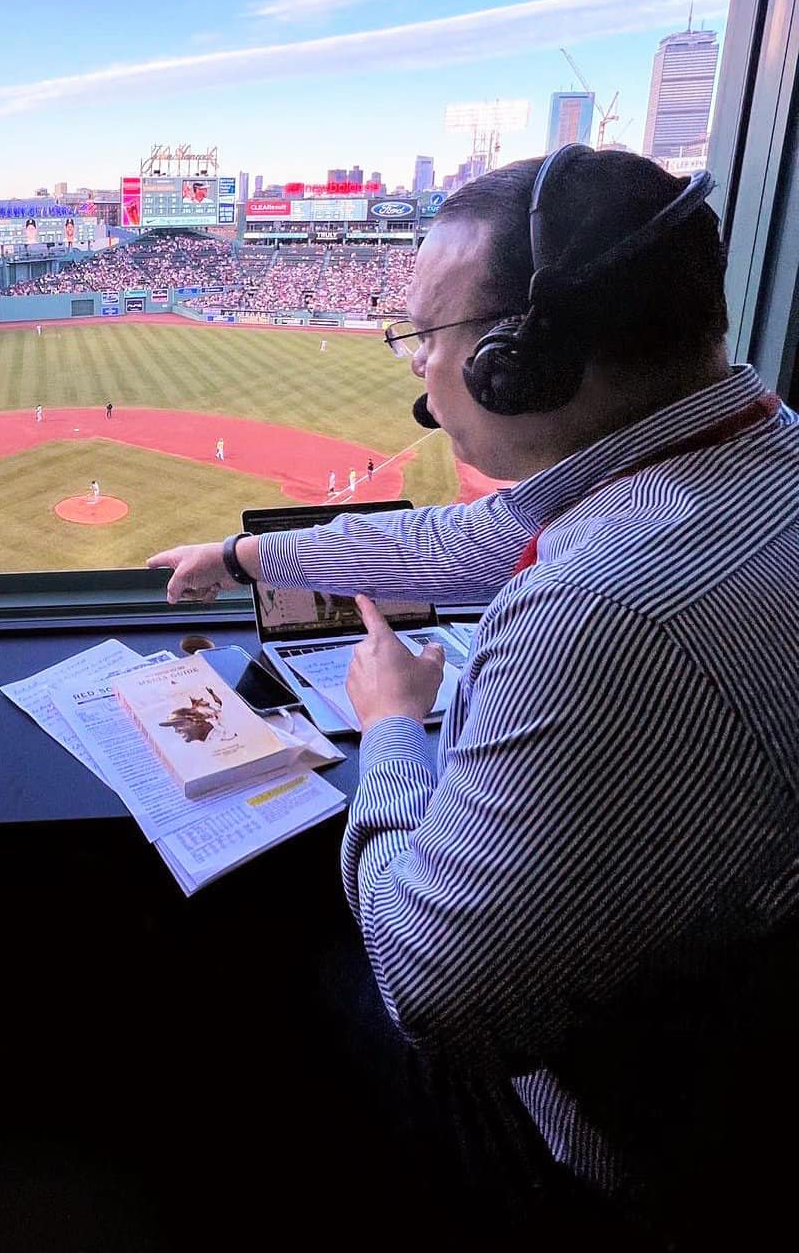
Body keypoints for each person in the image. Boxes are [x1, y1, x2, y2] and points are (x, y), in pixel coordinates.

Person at [145, 149, 799, 1249]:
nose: (420, 381)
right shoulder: (745, 459)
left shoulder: (597, 611)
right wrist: (247, 558)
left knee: (266, 965)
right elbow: (467, 538)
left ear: (519, 361)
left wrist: (393, 726)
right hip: (753, 1099)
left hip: (620, 1172)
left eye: (425, 340)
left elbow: (441, 999)